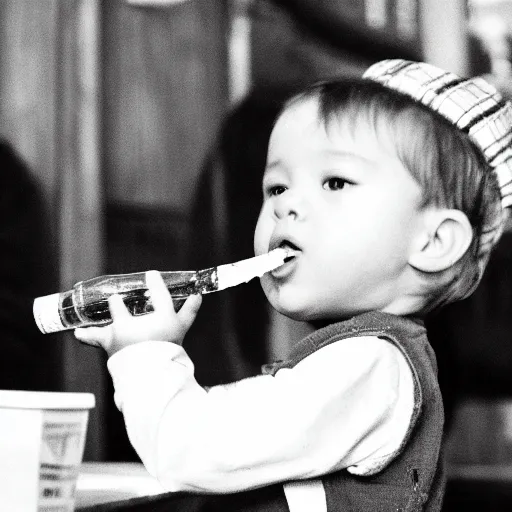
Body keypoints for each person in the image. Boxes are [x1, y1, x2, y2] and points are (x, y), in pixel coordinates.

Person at [75, 59, 512, 512]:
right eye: (277, 188)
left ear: (434, 241)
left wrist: (145, 356)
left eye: (335, 181)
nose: (287, 207)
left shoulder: (370, 369)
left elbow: (199, 449)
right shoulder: (353, 360)